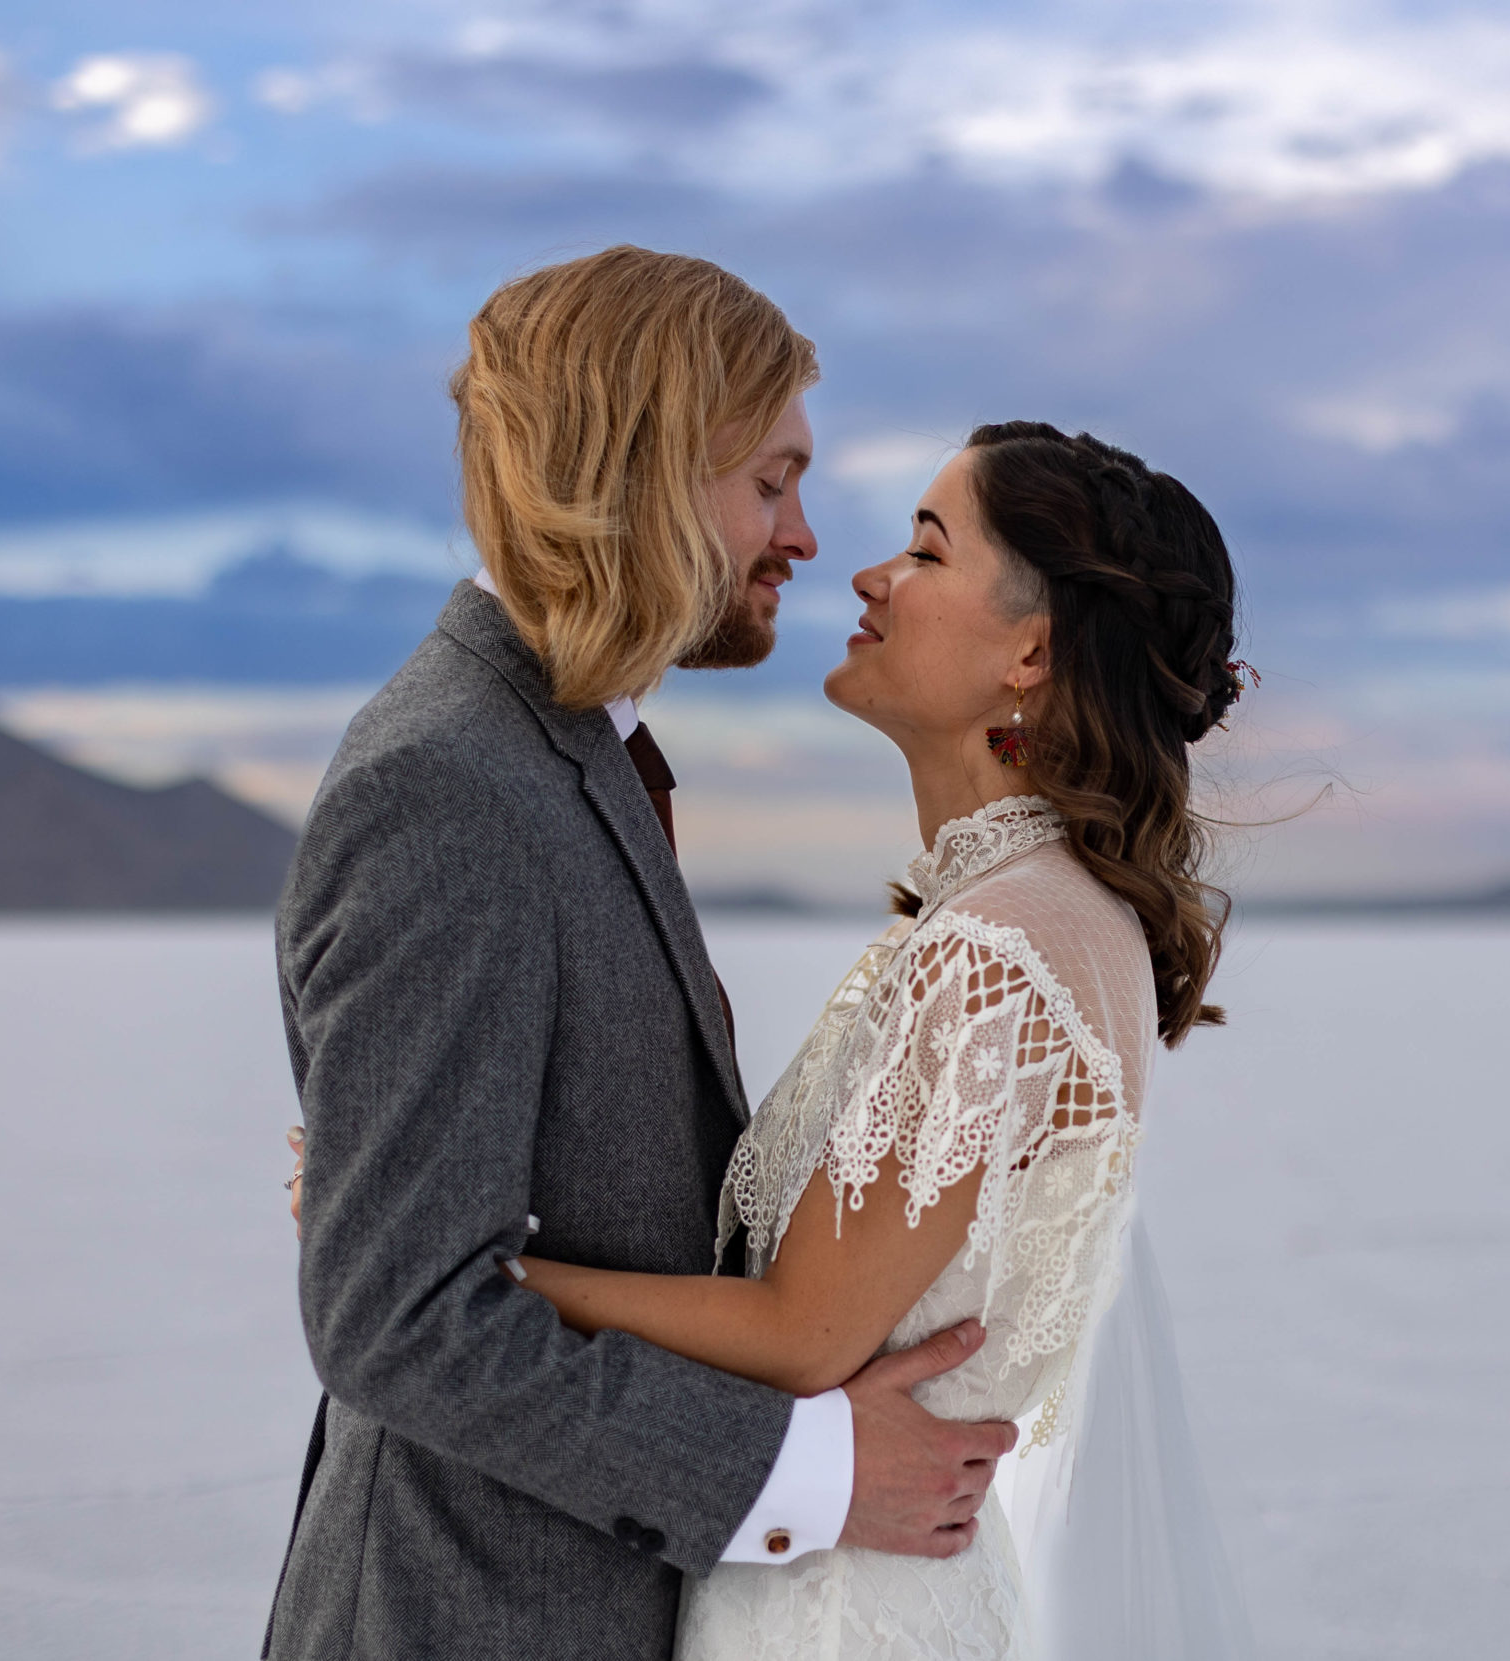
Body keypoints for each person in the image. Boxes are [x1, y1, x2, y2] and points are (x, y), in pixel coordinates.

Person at [264, 246, 1019, 1661]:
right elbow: (400, 1320)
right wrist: (815, 1470)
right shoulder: (448, 788)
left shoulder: (570, 761)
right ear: (651, 473)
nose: (801, 538)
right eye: (771, 482)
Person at [434, 417, 1249, 1658]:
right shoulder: (1015, 913)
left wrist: (478, 1272)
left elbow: (803, 1332)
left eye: (926, 550)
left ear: (1030, 649)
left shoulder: (1006, 943)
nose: (868, 575)